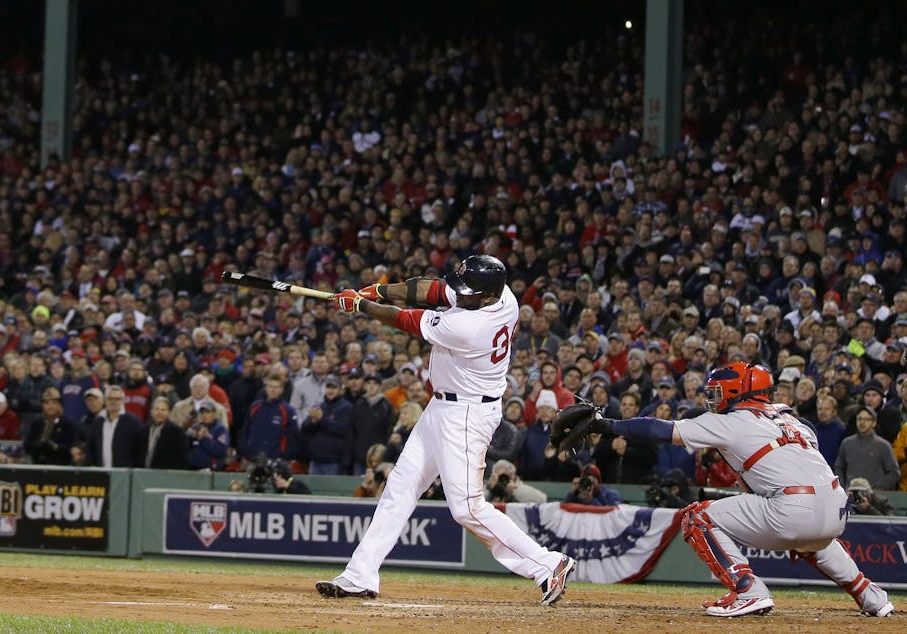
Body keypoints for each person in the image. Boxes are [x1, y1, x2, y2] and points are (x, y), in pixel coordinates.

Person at [316, 257, 576, 607]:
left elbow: (404, 318)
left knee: (467, 508)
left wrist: (361, 305)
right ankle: (360, 573)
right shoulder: (501, 297)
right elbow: (430, 288)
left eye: (467, 291)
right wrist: (376, 289)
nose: (458, 293)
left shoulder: (470, 326)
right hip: (443, 406)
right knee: (401, 486)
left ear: (485, 296)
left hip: (467, 414)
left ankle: (547, 564)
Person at [584, 361, 894, 617]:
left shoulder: (732, 421)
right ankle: (870, 595)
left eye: (717, 392)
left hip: (793, 508)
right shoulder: (790, 418)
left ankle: (747, 588)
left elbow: (656, 428)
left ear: (736, 391)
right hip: (836, 509)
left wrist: (607, 425)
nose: (713, 398)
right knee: (813, 538)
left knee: (696, 517)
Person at [834, 406, 899, 490]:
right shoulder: (846, 443)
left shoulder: (883, 445)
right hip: (850, 495)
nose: (862, 422)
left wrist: (878, 488)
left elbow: (894, 473)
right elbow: (839, 468)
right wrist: (842, 488)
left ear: (874, 422)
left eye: (867, 419)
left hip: (875, 497)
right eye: (859, 419)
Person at [301, 375, 353, 475]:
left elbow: (342, 429)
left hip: (333, 461)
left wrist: (322, 419)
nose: (331, 390)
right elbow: (304, 428)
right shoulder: (319, 406)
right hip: (315, 459)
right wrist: (313, 422)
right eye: (328, 387)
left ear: (340, 390)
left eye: (334, 387)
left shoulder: (346, 407)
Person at [88, 385, 141, 468]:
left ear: (123, 401)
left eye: (117, 399)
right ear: (105, 401)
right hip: (101, 472)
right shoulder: (98, 421)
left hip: (124, 473)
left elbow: (138, 450)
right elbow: (91, 446)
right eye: (110, 399)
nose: (114, 402)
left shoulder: (133, 422)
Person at [23, 387, 77, 466]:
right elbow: (27, 446)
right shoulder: (37, 423)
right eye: (47, 403)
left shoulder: (67, 424)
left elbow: (73, 446)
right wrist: (39, 444)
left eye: (54, 403)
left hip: (61, 468)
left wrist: (56, 447)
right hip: (39, 467)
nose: (50, 406)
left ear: (59, 405)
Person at [137, 396, 188, 469]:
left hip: (166, 476)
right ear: (151, 412)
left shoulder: (177, 432)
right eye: (157, 409)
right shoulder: (143, 431)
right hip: (142, 475)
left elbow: (181, 458)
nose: (159, 412)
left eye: (163, 410)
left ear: (169, 413)